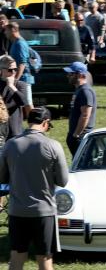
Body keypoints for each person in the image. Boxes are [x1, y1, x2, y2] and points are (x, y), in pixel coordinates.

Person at [0, 106, 68, 270]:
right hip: (43, 211)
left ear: (28, 121)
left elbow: (1, 177)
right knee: (45, 259)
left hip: (17, 210)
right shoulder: (53, 145)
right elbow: (63, 181)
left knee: (17, 257)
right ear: (46, 122)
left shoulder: (11, 144)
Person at [64, 62, 96, 157]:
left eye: (71, 74)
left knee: (81, 166)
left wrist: (76, 135)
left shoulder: (85, 91)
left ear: (80, 74)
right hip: (75, 135)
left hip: (81, 137)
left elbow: (85, 115)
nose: (68, 76)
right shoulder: (79, 90)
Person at [6, 22, 33, 114]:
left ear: (12, 30)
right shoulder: (15, 43)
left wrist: (16, 79)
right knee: (22, 103)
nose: (5, 33)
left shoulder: (20, 43)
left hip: (23, 78)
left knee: (28, 103)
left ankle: (36, 123)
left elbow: (22, 63)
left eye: (6, 30)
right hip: (19, 77)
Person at [0, 55, 27, 139]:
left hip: (14, 131)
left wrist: (11, 86)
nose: (14, 72)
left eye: (15, 69)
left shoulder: (20, 85)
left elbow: (23, 102)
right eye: (10, 70)